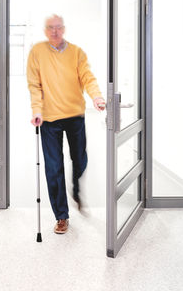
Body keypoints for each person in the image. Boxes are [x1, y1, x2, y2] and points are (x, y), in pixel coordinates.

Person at [27, 14, 105, 234]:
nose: (55, 31)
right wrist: (37, 110)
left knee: (80, 160)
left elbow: (87, 77)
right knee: (54, 169)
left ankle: (76, 189)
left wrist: (96, 97)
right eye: (50, 28)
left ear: (64, 29)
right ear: (44, 30)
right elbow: (34, 85)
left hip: (74, 116)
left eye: (58, 27)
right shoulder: (37, 52)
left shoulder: (77, 53)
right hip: (49, 119)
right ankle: (61, 216)